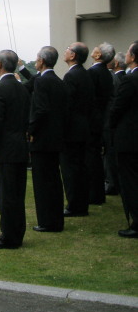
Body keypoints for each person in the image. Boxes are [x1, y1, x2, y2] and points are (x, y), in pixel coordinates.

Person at [0, 49, 30, 249]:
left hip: (5, 149)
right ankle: (17, 232)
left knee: (5, 194)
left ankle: (9, 236)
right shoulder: (22, 88)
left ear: (0, 65)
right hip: (20, 146)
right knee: (17, 193)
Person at [26, 46, 68, 233]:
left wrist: (31, 129)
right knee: (54, 180)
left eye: (37, 58)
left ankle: (47, 221)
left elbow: (41, 109)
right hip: (56, 136)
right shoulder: (59, 81)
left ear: (42, 61)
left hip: (42, 139)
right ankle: (56, 219)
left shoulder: (42, 82)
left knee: (43, 182)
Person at [60, 42, 95, 217]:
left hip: (72, 131)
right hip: (83, 128)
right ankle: (81, 203)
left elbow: (67, 105)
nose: (65, 51)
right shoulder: (85, 74)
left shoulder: (71, 76)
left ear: (73, 55)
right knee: (81, 168)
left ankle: (74, 205)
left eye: (68, 48)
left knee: (71, 169)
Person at [109, 41, 138, 238]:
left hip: (129, 139)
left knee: (130, 182)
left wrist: (110, 128)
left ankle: (136, 221)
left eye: (128, 52)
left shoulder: (130, 80)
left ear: (133, 57)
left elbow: (117, 108)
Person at [87, 42, 115, 204]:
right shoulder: (105, 73)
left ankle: (93, 194)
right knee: (96, 158)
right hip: (101, 119)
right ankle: (98, 193)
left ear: (98, 56)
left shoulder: (93, 72)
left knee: (91, 159)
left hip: (93, 120)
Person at [104, 52, 127, 195]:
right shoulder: (124, 78)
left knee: (110, 155)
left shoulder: (115, 79)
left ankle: (111, 183)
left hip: (113, 123)